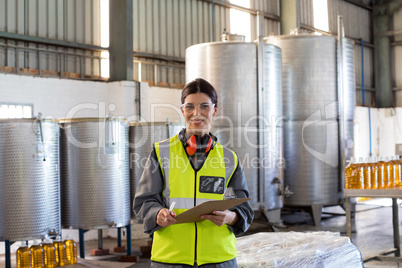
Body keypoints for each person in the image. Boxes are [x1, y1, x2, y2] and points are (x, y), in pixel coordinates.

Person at [134, 78, 254, 267]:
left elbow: (245, 209)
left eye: (204, 106)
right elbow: (143, 202)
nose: (196, 113)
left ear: (214, 110)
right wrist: (157, 213)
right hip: (170, 259)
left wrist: (231, 217)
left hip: (219, 259)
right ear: (182, 110)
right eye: (190, 107)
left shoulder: (229, 158)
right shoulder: (161, 152)